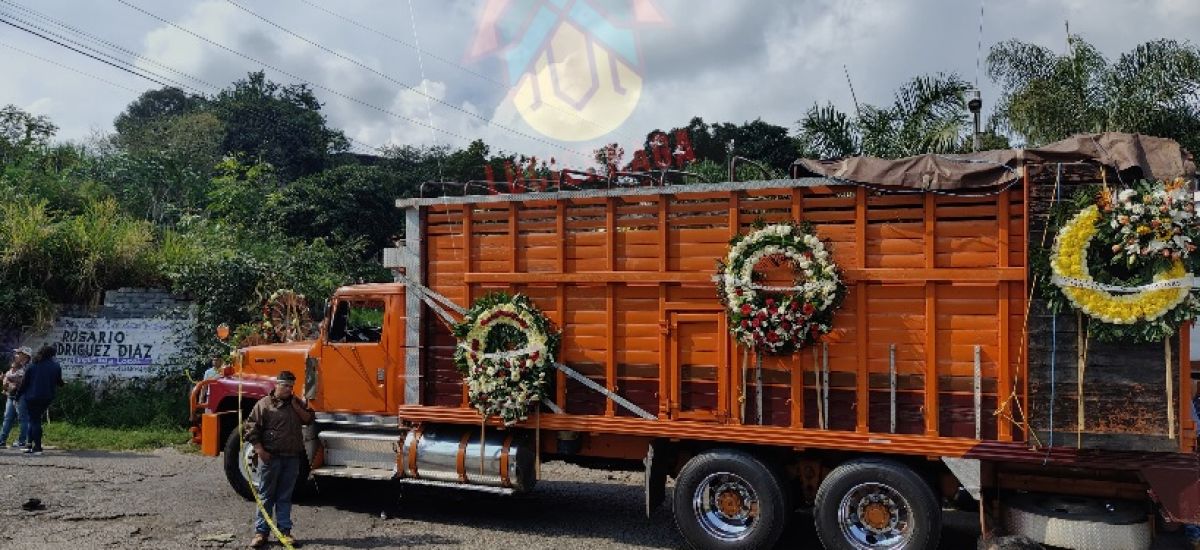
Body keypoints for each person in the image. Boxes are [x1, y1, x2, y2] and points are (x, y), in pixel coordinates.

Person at [243, 370, 313, 548]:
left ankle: (285, 532)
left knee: (285, 497)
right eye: (285, 386)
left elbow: (309, 419)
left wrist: (296, 406)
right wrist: (259, 450)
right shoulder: (264, 404)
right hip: (271, 457)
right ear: (277, 385)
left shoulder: (296, 403)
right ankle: (261, 533)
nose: (288, 389)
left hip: (291, 458)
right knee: (266, 496)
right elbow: (250, 428)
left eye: (291, 386)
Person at [20, 345, 62, 456]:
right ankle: (29, 445)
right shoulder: (56, 366)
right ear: (52, 354)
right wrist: (63, 384)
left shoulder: (33, 365)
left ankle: (37, 447)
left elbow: (24, 383)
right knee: (34, 419)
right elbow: (59, 382)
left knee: (34, 420)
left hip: (32, 397)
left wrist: (17, 396)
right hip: (47, 397)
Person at [0, 347, 32, 448]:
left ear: (25, 356)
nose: (16, 355)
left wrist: (7, 380)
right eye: (16, 353)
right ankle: (2, 441)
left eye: (18, 353)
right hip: (11, 396)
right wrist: (4, 380)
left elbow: (19, 382)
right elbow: (9, 381)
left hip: (21, 397)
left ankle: (22, 441)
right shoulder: (14, 366)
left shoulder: (26, 368)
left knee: (23, 419)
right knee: (7, 418)